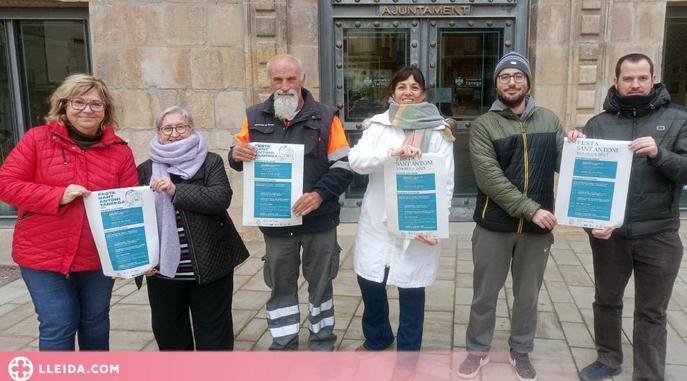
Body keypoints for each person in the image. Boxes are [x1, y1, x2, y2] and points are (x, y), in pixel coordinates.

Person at [0, 74, 138, 351]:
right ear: (64, 106)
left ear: (105, 111)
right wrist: (56, 195)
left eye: (96, 104)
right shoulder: (37, 140)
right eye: (79, 101)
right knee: (59, 321)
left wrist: (133, 255)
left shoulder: (119, 151)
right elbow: (6, 184)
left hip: (97, 256)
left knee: (95, 321)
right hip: (43, 254)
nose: (87, 109)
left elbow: (130, 204)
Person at [576, 53, 687, 381]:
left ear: (653, 78)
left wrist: (659, 153)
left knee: (652, 311)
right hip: (612, 236)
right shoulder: (599, 124)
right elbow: (585, 186)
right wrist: (591, 225)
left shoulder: (678, 119)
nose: (635, 84)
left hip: (660, 234)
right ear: (616, 81)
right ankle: (608, 358)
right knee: (606, 301)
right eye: (628, 78)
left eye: (642, 78)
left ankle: (649, 376)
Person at [458, 52, 569, 381]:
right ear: (496, 84)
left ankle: (521, 350)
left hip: (537, 231)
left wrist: (579, 147)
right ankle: (477, 349)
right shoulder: (483, 125)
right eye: (504, 77)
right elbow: (490, 179)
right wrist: (531, 209)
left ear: (528, 82)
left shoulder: (549, 120)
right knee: (484, 295)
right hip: (495, 226)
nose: (511, 82)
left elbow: (570, 164)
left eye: (517, 76)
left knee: (528, 296)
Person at [229, 54, 352, 350]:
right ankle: (284, 344)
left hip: (319, 222)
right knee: (280, 286)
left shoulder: (327, 116)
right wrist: (234, 154)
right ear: (269, 81)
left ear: (303, 80)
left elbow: (345, 167)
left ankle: (322, 342)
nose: (284, 86)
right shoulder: (254, 115)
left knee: (321, 286)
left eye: (291, 79)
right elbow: (237, 154)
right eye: (277, 80)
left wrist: (319, 194)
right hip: (276, 223)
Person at [348, 65, 454, 358]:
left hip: (417, 220)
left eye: (414, 87)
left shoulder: (438, 129)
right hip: (377, 223)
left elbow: (446, 181)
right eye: (402, 87)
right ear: (392, 92)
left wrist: (435, 225)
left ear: (424, 94)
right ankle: (378, 337)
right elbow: (356, 160)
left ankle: (408, 356)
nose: (408, 92)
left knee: (411, 289)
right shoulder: (379, 126)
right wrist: (390, 154)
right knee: (370, 282)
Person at [137, 106, 249, 351]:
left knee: (214, 334)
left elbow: (220, 198)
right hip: (164, 271)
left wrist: (177, 190)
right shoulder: (146, 169)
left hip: (210, 265)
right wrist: (139, 262)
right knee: (170, 334)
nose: (174, 133)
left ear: (191, 129)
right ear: (158, 132)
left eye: (181, 127)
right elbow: (137, 218)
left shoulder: (210, 161)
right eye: (168, 128)